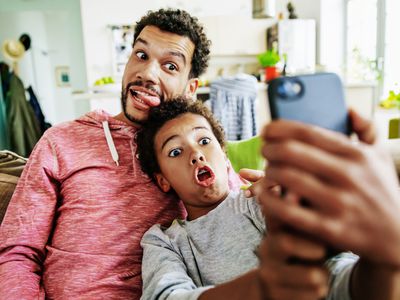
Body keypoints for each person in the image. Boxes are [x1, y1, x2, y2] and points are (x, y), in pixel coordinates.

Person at [0, 8, 247, 299]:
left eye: (170, 66)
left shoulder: (199, 152)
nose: (147, 73)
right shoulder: (60, 141)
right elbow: (17, 252)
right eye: (141, 55)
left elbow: (242, 216)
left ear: (190, 89)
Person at [136, 98, 329, 300]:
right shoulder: (163, 240)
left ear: (225, 158)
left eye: (204, 141)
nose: (196, 154)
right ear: (163, 180)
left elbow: (332, 264)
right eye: (175, 151)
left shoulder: (260, 201)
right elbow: (165, 296)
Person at [257, 110, 400, 300]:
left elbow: (337, 277)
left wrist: (385, 263)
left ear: (226, 161)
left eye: (205, 141)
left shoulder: (262, 197)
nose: (201, 155)